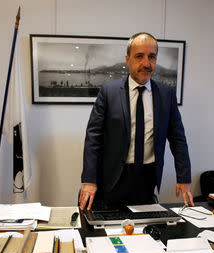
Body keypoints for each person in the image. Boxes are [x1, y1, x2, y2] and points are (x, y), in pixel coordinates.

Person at [79, 32, 194, 210]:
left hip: (147, 179)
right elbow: (93, 138)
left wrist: (184, 177)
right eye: (139, 56)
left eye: (152, 57)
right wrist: (89, 180)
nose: (146, 63)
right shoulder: (108, 92)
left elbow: (178, 139)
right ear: (128, 59)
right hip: (113, 178)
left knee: (144, 232)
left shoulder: (166, 94)